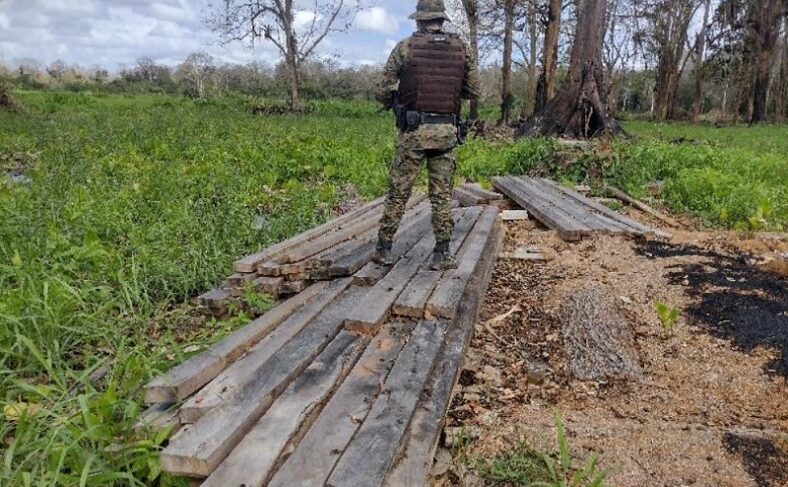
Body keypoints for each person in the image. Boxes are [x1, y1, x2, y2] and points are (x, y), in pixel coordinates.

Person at [372, 0, 480, 271]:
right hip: (446, 132)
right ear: (441, 20)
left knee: (399, 191)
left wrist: (397, 97)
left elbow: (381, 89)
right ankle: (443, 253)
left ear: (419, 20)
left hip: (414, 132)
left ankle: (384, 248)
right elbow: (474, 91)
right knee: (442, 194)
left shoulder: (406, 47)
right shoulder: (462, 49)